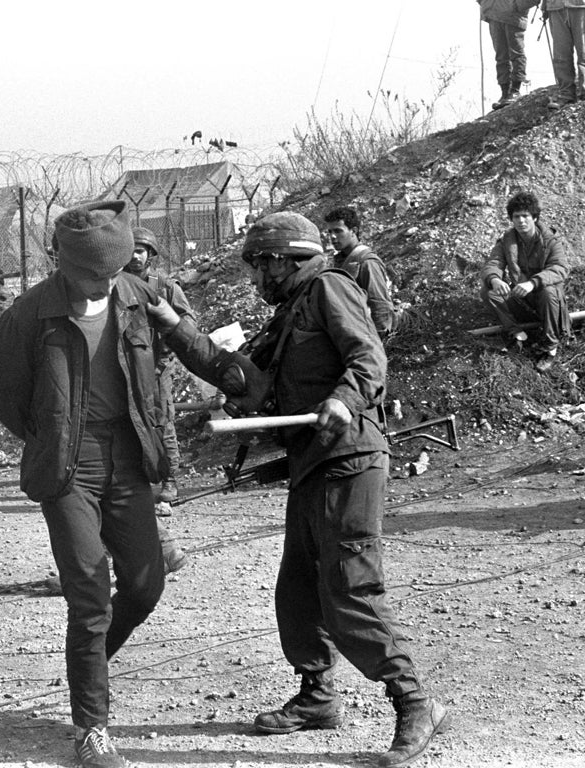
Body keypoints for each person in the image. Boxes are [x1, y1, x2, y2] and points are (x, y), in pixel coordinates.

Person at [149, 212, 450, 768]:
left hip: (351, 456)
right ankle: (317, 697)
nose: (258, 277)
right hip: (311, 461)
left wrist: (345, 397)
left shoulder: (331, 287)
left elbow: (369, 357)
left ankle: (414, 701)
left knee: (349, 586)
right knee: (298, 588)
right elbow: (240, 375)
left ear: (286, 258)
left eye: (262, 264)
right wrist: (171, 322)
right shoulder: (289, 313)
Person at [0, 200, 210, 768]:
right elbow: (5, 391)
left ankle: (89, 662)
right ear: (61, 263)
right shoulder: (29, 314)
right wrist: (49, 435)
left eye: (110, 274)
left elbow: (179, 357)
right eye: (89, 276)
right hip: (67, 462)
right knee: (89, 587)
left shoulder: (140, 299)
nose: (100, 286)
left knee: (144, 585)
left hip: (128, 456)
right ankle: (92, 728)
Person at [124, 226, 195, 507]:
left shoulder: (163, 285)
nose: (135, 256)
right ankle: (139, 480)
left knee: (163, 422)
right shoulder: (119, 284)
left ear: (150, 254)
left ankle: (170, 480)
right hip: (129, 367)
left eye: (140, 251)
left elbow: (188, 322)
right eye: (131, 250)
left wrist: (167, 345)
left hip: (157, 365)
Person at [480, 190, 570, 371]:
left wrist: (533, 283)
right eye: (516, 217)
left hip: (548, 303)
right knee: (487, 290)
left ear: (534, 218)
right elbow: (493, 263)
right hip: (523, 300)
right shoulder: (507, 240)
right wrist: (495, 279)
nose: (521, 221)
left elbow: (560, 269)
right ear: (511, 219)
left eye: (525, 216)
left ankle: (550, 347)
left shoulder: (550, 241)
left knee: (548, 291)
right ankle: (517, 333)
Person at [323, 207, 403, 340]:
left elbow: (381, 307)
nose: (332, 236)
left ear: (353, 231)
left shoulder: (367, 263)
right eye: (330, 231)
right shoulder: (339, 261)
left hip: (366, 336)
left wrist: (377, 343)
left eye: (338, 231)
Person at [478, 0, 537, 109]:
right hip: (493, 14)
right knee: (500, 55)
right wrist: (486, 4)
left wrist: (515, 6)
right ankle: (505, 93)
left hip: (514, 16)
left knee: (516, 53)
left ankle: (515, 90)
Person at [543, 0, 585, 109]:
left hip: (581, 6)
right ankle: (566, 94)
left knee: (583, 51)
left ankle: (583, 91)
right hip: (555, 7)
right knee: (561, 54)